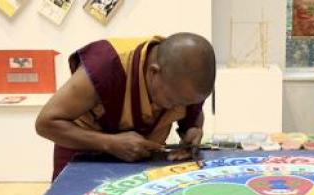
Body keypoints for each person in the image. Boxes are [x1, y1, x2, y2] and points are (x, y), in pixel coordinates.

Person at [35, 33, 216, 180]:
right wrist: (109, 143)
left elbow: (191, 116)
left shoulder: (187, 82)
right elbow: (45, 123)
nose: (179, 108)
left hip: (142, 158)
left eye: (187, 103)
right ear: (154, 72)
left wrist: (193, 130)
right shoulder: (107, 65)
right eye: (174, 101)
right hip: (85, 154)